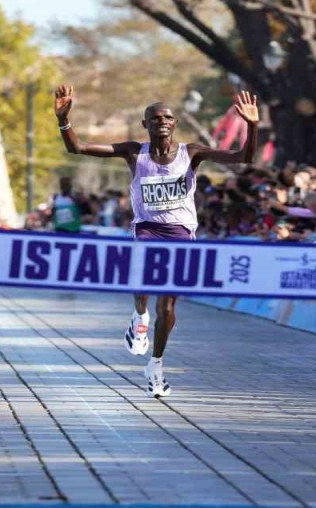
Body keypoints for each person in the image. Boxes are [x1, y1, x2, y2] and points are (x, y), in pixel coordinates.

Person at [54, 85, 260, 398]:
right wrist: (64, 120)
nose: (162, 120)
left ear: (175, 123)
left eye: (168, 117)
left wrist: (252, 125)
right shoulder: (133, 152)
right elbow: (77, 148)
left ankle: (156, 364)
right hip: (147, 228)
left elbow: (243, 157)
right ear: (145, 124)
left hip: (181, 233)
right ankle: (139, 316)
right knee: (143, 279)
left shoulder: (192, 153)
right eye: (155, 117)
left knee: (168, 306)